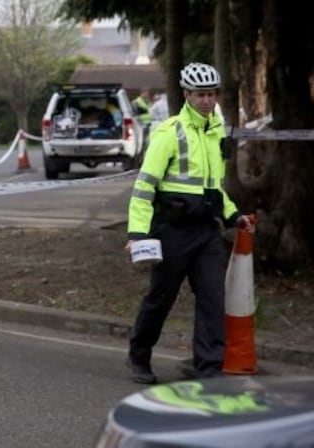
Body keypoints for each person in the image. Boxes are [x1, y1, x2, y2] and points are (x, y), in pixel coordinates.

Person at [124, 62, 256, 384]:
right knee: (161, 297)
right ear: (187, 95)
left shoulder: (216, 132)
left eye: (211, 94)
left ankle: (209, 369)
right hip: (172, 231)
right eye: (200, 94)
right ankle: (138, 356)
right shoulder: (170, 132)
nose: (207, 100)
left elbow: (215, 187)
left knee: (213, 297)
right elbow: (144, 187)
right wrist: (137, 232)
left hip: (206, 232)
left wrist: (233, 215)